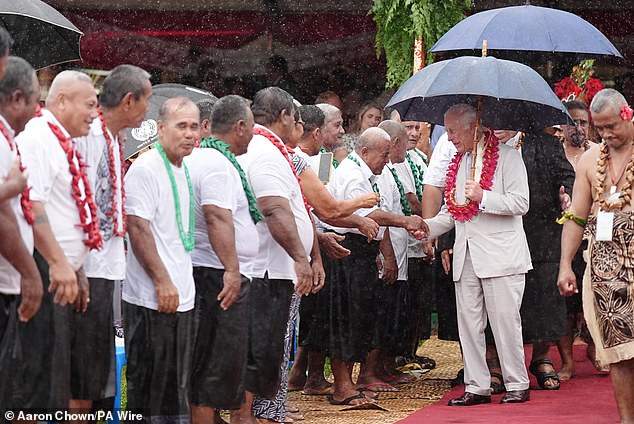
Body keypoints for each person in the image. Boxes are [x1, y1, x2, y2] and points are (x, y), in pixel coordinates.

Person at [424, 104, 531, 405]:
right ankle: (477, 385)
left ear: (475, 127)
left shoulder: (508, 157)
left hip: (500, 256)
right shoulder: (458, 164)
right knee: (469, 325)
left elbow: (521, 203)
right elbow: (453, 212)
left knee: (505, 322)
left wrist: (483, 197)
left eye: (454, 131)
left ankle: (516, 383)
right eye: (447, 131)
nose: (450, 137)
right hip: (466, 255)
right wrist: (426, 227)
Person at [319, 127, 426, 406]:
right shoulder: (353, 173)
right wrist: (405, 221)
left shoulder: (367, 172)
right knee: (345, 316)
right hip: (346, 250)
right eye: (383, 155)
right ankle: (343, 385)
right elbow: (368, 215)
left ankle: (348, 382)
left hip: (360, 251)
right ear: (365, 152)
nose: (387, 161)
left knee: (358, 317)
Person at [15, 70, 100, 410]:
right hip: (41, 268)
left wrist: (74, 266)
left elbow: (65, 211)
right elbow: (32, 207)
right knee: (31, 388)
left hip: (59, 270)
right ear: (61, 100)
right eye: (90, 104)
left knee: (51, 383)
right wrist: (59, 262)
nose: (95, 114)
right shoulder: (38, 137)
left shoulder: (59, 138)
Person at [70, 64, 151, 415]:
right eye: (147, 100)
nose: (149, 110)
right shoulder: (88, 136)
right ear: (130, 101)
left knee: (98, 373)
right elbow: (75, 201)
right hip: (86, 267)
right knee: (83, 373)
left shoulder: (114, 139)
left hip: (108, 266)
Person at [234, 87, 315, 424]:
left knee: (269, 347)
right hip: (269, 268)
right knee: (264, 347)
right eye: (295, 119)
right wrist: (300, 257)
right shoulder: (264, 152)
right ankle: (249, 414)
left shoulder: (265, 149)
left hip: (272, 267)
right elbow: (272, 208)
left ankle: (262, 413)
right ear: (283, 116)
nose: (295, 125)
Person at [558, 88, 634, 423]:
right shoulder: (590, 161)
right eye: (598, 128)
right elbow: (576, 216)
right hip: (605, 274)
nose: (605, 135)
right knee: (619, 356)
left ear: (627, 114)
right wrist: (565, 265)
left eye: (611, 127)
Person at [123, 97, 199, 421]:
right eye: (181, 126)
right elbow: (137, 228)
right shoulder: (145, 168)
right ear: (160, 128)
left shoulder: (183, 169)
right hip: (150, 299)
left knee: (176, 386)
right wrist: (162, 281)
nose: (189, 134)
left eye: (194, 126)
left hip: (182, 297)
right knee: (148, 387)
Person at [186, 95, 257, 424]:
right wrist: (232, 270)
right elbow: (216, 217)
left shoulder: (201, 158)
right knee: (213, 370)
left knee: (211, 366)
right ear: (240, 126)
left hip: (207, 272)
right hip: (217, 275)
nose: (254, 135)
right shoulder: (216, 163)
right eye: (252, 127)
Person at [0, 56, 44, 409]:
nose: (36, 108)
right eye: (35, 100)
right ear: (16, 99)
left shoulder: (9, 139)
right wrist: (30, 274)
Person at [557, 99, 599, 380]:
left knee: (595, 301)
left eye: (583, 122)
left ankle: (597, 350)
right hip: (564, 237)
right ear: (562, 126)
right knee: (566, 306)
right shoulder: (554, 154)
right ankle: (568, 361)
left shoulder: (599, 154)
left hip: (596, 239)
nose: (578, 128)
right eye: (573, 122)